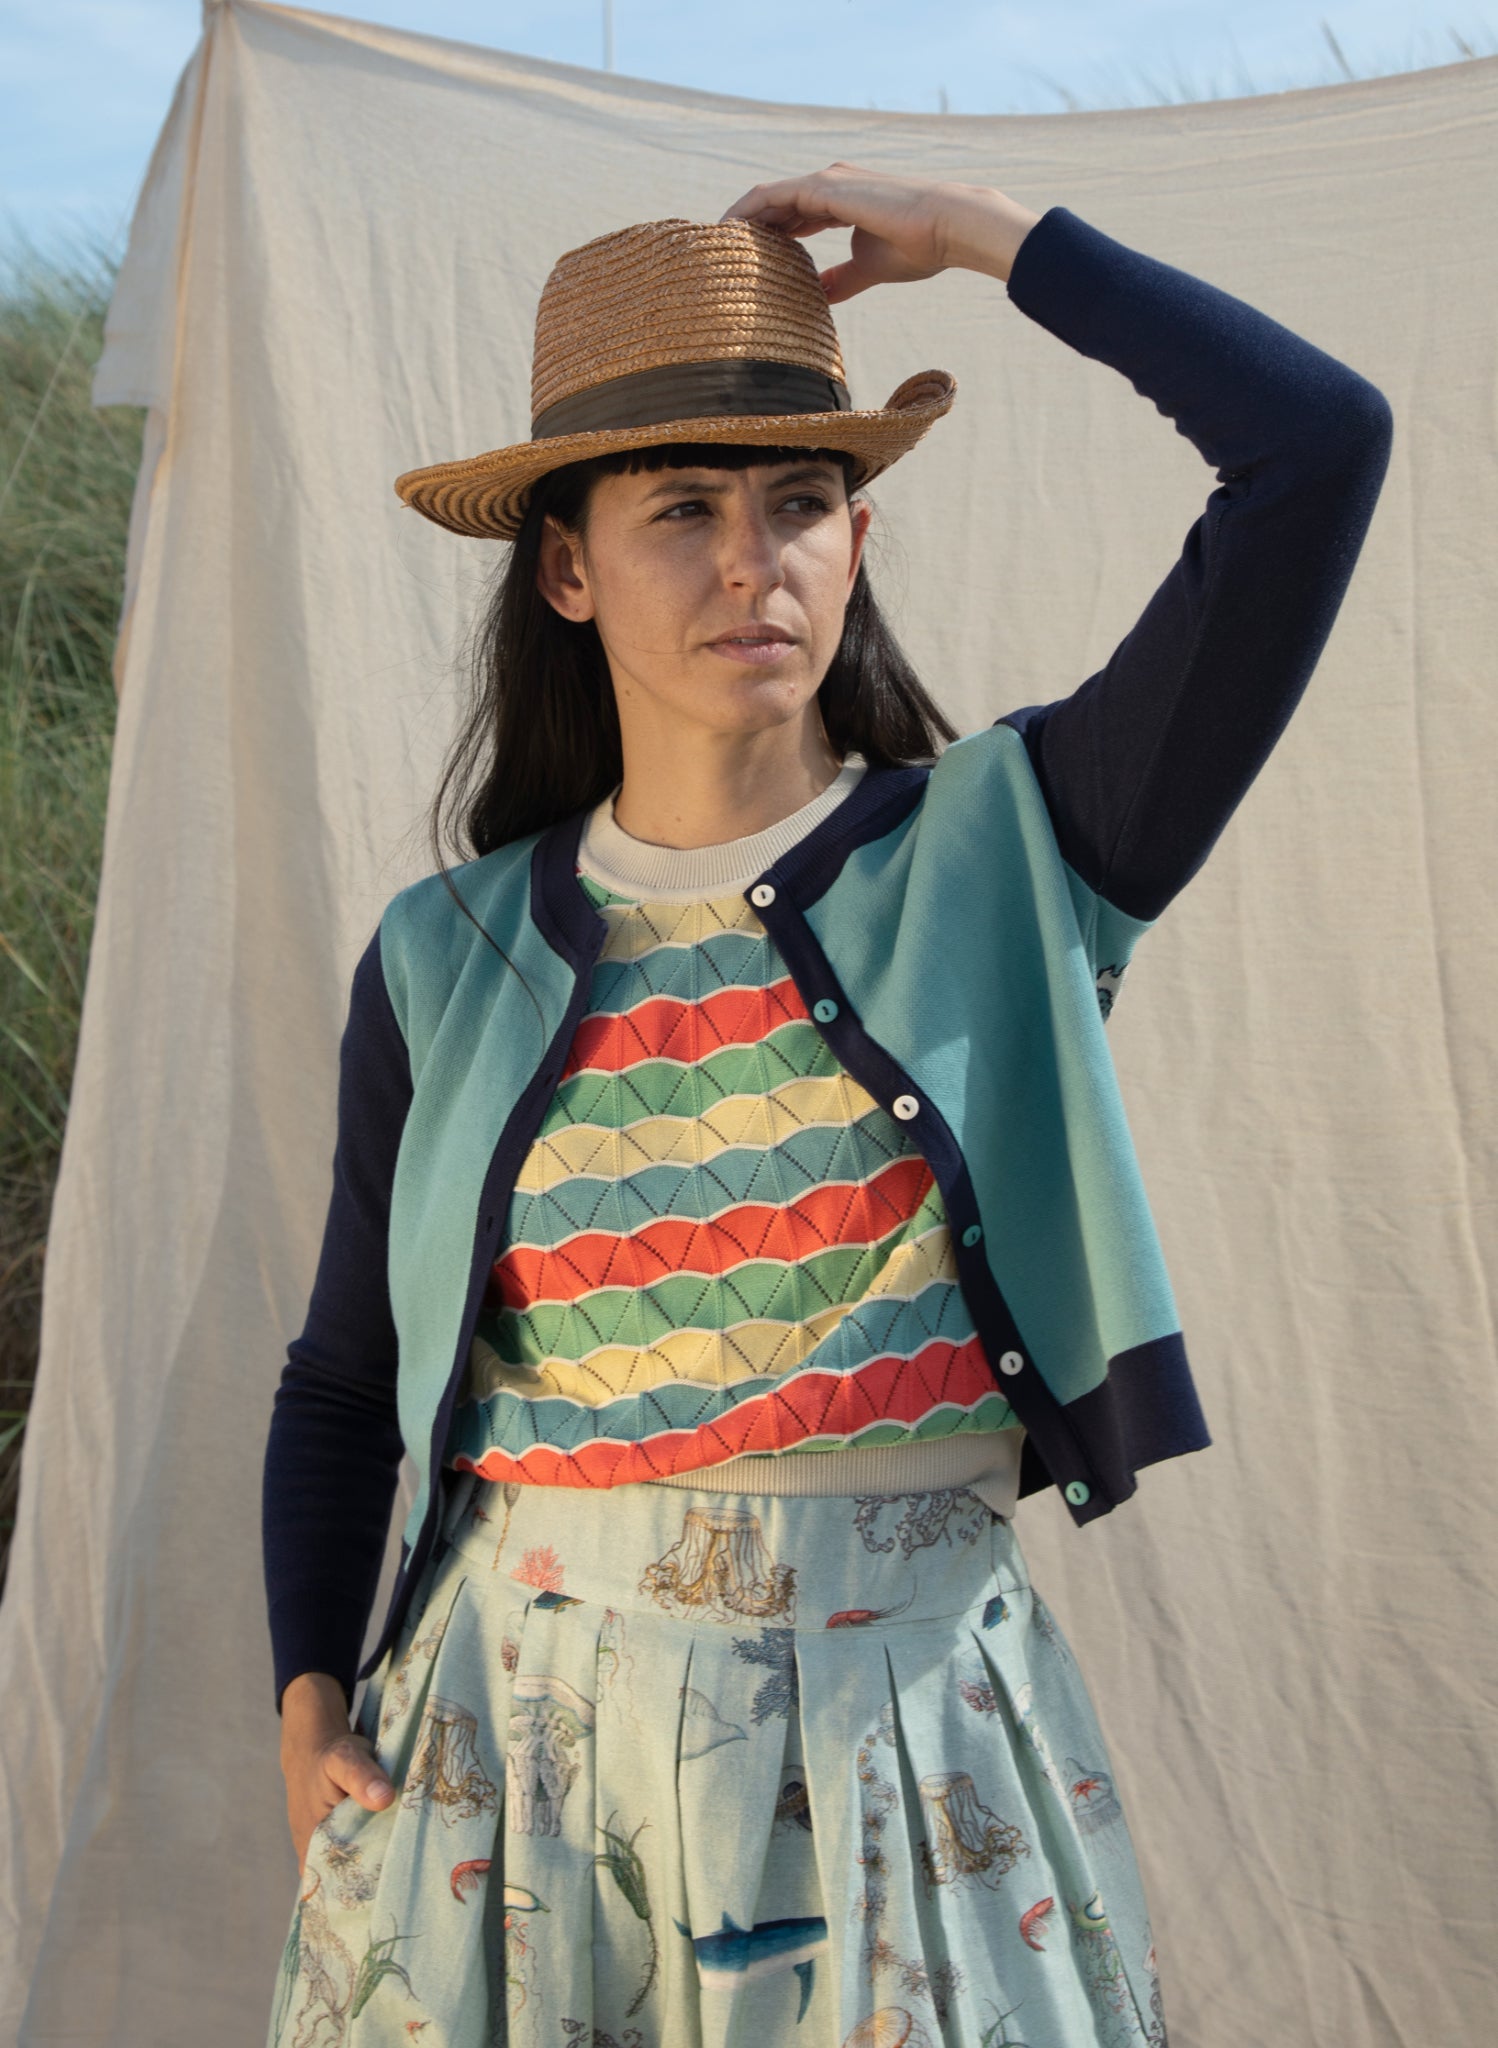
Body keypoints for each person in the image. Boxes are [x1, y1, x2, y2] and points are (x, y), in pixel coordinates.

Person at [261, 163, 1393, 2047]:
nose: (746, 562)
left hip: (908, 1743)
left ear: (855, 543)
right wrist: (309, 1697)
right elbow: (334, 1376)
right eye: (679, 511)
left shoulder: (1022, 847)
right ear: (565, 568)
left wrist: (992, 239)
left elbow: (1316, 453)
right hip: (508, 1760)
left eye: (802, 503)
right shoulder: (444, 953)